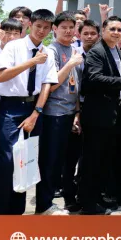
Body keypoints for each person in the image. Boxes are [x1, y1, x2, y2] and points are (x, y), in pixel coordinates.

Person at [0, 8, 59, 215]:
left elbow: (47, 84)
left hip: (33, 107)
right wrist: (31, 62)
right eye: (38, 26)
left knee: (24, 161)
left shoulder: (48, 52)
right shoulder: (13, 47)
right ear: (29, 25)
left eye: (46, 28)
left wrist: (36, 113)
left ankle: (16, 212)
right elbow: (2, 76)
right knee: (6, 161)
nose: (41, 31)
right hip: (9, 106)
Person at [80, 16, 121, 215]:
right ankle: (88, 203)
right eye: (112, 29)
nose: (117, 33)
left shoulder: (117, 50)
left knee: (104, 160)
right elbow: (93, 78)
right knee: (92, 161)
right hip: (98, 114)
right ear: (103, 30)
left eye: (120, 30)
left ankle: (98, 197)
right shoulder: (97, 51)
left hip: (113, 113)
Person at [34, 12, 84, 215]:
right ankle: (44, 204)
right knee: (49, 161)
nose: (68, 30)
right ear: (54, 29)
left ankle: (51, 203)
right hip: (52, 113)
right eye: (63, 27)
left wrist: (77, 113)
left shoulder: (74, 49)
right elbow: (51, 85)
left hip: (70, 113)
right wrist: (70, 63)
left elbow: (77, 85)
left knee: (62, 162)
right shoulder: (51, 50)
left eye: (71, 27)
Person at [63, 18, 100, 213]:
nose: (89, 37)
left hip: (95, 110)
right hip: (75, 109)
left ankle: (87, 195)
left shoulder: (103, 54)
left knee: (90, 157)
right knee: (71, 156)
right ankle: (69, 196)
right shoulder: (75, 55)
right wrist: (77, 111)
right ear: (79, 35)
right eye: (85, 33)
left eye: (93, 33)